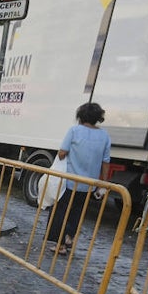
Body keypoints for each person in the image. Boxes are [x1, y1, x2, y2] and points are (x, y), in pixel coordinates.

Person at [46, 102, 111, 256]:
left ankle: (60, 244)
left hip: (69, 181)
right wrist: (104, 183)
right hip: (88, 185)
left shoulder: (74, 131)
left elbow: (62, 153)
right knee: (77, 212)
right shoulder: (104, 136)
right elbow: (106, 162)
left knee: (60, 211)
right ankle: (69, 237)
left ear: (80, 116)